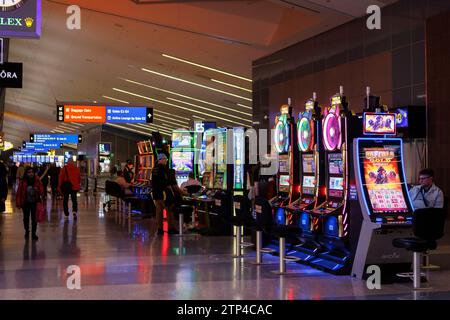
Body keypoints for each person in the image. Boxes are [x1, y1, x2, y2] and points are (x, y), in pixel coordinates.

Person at [16, 167, 44, 240]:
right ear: (26, 173)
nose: (31, 173)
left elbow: (42, 191)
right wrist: (18, 203)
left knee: (34, 219)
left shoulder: (37, 180)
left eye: (32, 172)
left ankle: (34, 233)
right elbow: (19, 193)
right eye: (29, 172)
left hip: (35, 203)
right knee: (26, 218)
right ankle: (27, 231)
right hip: (25, 203)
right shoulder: (23, 182)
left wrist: (37, 189)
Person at [152, 153, 177, 235]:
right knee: (169, 210)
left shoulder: (154, 169)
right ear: (161, 159)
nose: (166, 160)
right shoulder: (164, 169)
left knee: (158, 212)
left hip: (156, 193)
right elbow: (168, 182)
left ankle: (160, 229)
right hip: (164, 193)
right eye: (165, 159)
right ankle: (171, 228)